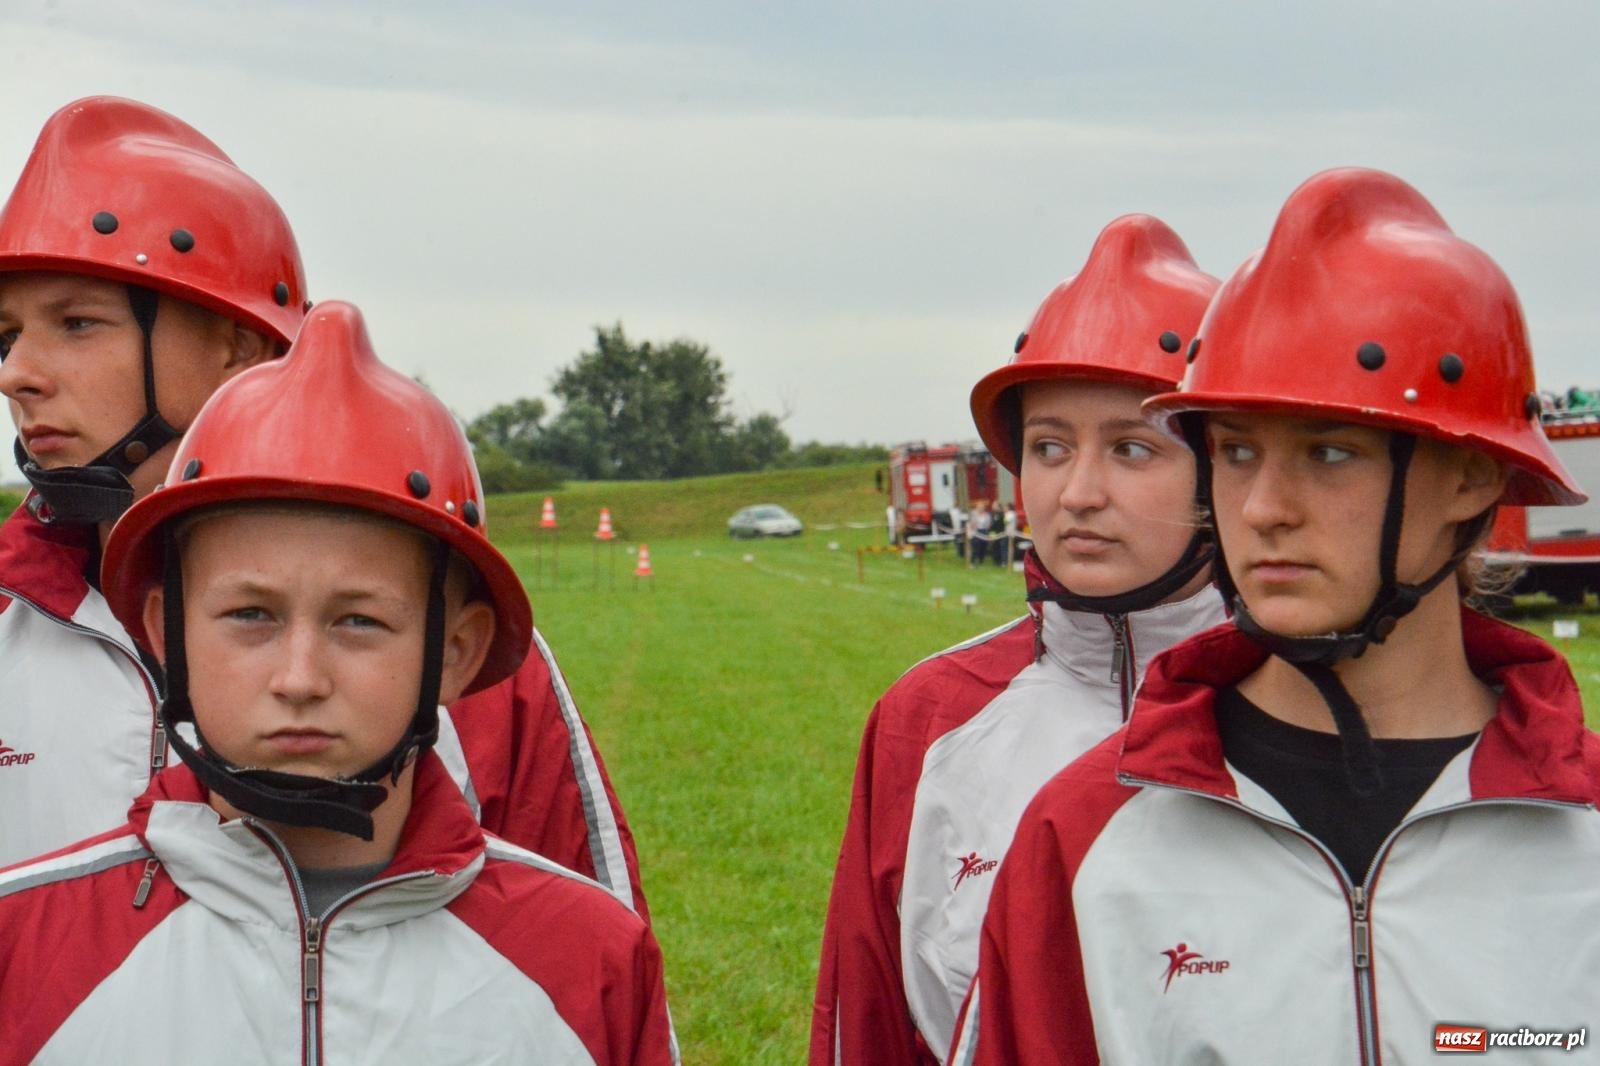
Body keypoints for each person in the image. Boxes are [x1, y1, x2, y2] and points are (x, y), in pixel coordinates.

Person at [951, 168, 1600, 1065]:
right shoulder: (1085, 834)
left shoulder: (1586, 833)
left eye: (1329, 452)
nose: (1262, 508)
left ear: (1472, 477)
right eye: (1237, 450)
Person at [0, 97, 646, 916]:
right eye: (8, 332)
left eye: (78, 323)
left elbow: (588, 967)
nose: (17, 373)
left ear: (238, 343)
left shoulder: (455, 649)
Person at [0, 301, 676, 1066]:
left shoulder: (592, 958)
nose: (299, 679)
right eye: (250, 614)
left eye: (358, 623)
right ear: (166, 634)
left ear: (454, 653)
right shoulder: (21, 945)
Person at [810, 215, 1228, 1065]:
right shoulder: (927, 717)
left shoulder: (1306, 704)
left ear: (1226, 468)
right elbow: (871, 1014)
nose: (1077, 492)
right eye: (1048, 446)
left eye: (1133, 449)